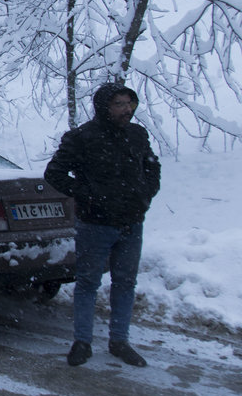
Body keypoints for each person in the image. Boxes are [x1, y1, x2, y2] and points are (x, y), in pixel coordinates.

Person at [44, 82, 161, 368]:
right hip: (95, 224)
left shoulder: (137, 134)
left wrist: (145, 194)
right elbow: (54, 173)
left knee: (125, 282)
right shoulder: (82, 137)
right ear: (104, 107)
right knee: (87, 283)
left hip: (131, 223)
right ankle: (82, 342)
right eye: (119, 104)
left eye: (129, 103)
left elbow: (151, 165)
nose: (126, 109)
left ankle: (119, 341)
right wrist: (90, 197)